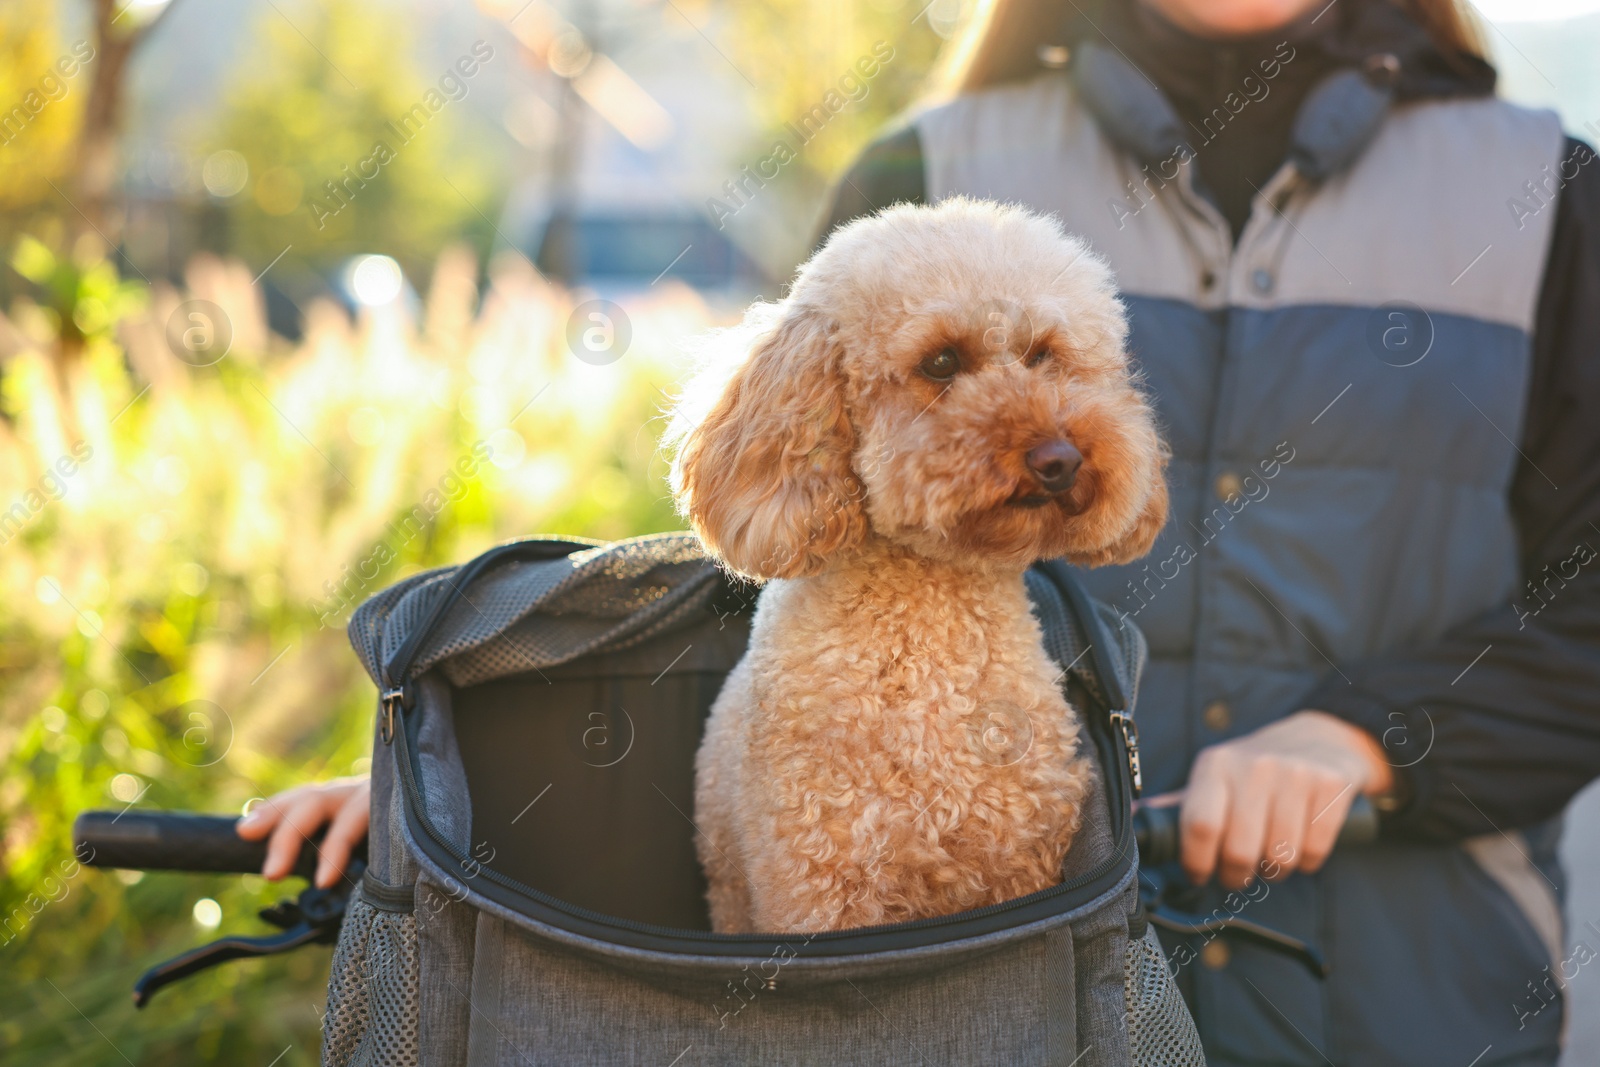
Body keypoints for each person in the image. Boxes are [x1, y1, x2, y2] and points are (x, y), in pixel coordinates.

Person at [247, 0, 1600, 1062]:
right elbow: (766, 559)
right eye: (952, 367)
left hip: (1414, 1009)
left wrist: (1368, 737)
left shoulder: (1550, 197)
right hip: (955, 1030)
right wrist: (476, 781)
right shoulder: (927, 172)